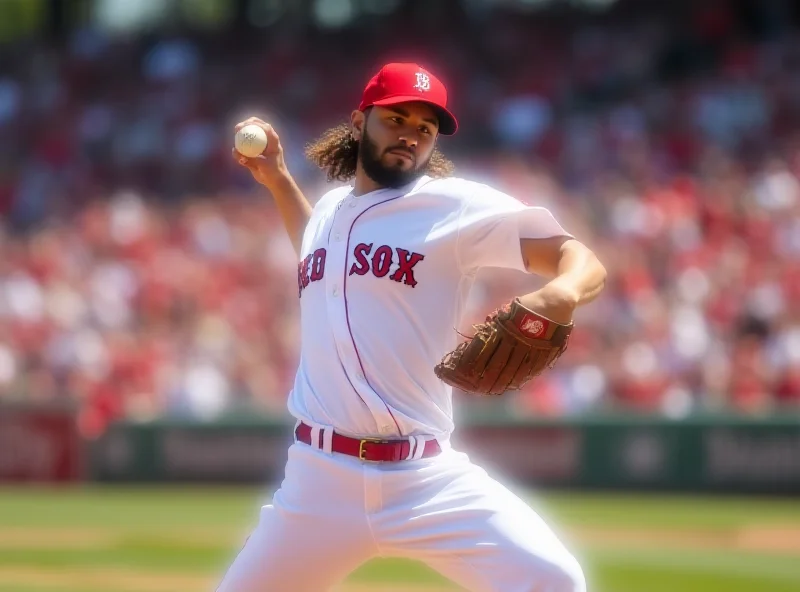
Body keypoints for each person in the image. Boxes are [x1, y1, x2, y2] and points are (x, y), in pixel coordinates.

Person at [218, 62, 606, 592]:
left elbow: (579, 259)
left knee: (555, 580)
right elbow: (320, 250)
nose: (410, 135)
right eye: (396, 118)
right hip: (318, 482)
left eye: (425, 128)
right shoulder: (330, 212)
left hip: (426, 478)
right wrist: (279, 180)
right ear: (359, 121)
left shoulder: (452, 205)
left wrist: (561, 291)